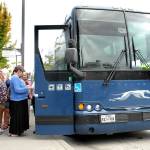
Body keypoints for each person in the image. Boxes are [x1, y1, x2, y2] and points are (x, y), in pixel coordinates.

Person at [9, 66, 30, 137]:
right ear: (18, 71)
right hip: (17, 101)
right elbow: (17, 90)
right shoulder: (15, 78)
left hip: (19, 100)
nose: (22, 74)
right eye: (22, 72)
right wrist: (27, 88)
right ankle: (14, 132)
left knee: (19, 117)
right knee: (16, 117)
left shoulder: (16, 78)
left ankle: (18, 131)